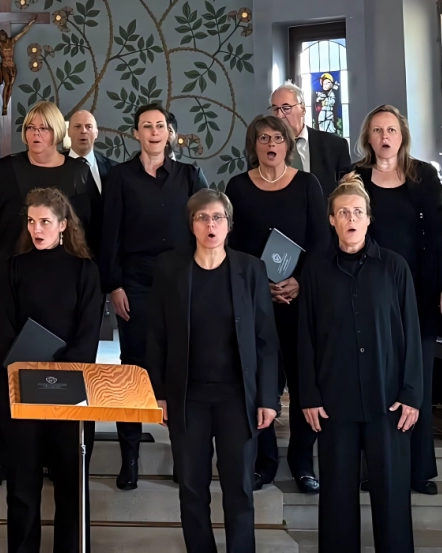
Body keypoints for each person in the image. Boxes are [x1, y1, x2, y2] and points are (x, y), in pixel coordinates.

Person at [0, 100, 102, 488]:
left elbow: (95, 228)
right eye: (30, 128)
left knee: (62, 371)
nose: (35, 135)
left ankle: (53, 453)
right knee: (8, 370)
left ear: (58, 132)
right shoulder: (7, 169)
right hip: (14, 282)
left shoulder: (78, 172)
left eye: (43, 128)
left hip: (66, 289)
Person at [146, 189, 279, 553]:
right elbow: (155, 336)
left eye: (218, 217)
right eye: (202, 217)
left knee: (239, 488)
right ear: (191, 224)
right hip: (188, 396)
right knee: (191, 488)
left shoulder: (251, 269)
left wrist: (268, 397)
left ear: (229, 225)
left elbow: (266, 339)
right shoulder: (170, 268)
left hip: (238, 396)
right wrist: (158, 394)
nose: (210, 224)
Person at [298, 175, 422, 553]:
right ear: (331, 220)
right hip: (335, 402)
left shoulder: (395, 268)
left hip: (389, 403)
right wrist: (308, 394)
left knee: (392, 500)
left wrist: (412, 393)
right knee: (335, 499)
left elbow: (412, 336)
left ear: (368, 219)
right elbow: (305, 337)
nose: (350, 218)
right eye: (342, 213)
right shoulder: (316, 270)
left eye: (357, 212)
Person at [352, 104, 442, 495]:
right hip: (369, 293)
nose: (385, 137)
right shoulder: (354, 176)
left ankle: (419, 471)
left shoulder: (423, 175)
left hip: (421, 290)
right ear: (368, 137)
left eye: (392, 130)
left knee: (418, 383)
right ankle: (374, 468)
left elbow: (440, 232)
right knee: (375, 381)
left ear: (402, 136)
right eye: (378, 130)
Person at [100, 103, 208, 490]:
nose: (154, 132)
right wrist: (113, 285)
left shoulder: (190, 175)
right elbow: (108, 234)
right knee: (134, 369)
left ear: (170, 132)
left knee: (183, 368)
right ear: (136, 134)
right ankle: (130, 457)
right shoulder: (119, 177)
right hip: (136, 283)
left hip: (183, 282)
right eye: (146, 126)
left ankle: (184, 456)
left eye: (160, 125)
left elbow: (207, 225)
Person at [225, 115, 330, 494]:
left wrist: (299, 282)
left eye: (278, 138)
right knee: (259, 382)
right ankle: (263, 462)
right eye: (263, 138)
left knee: (305, 383)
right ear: (253, 145)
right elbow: (230, 247)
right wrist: (258, 287)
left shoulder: (307, 184)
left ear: (289, 143)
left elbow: (322, 244)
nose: (271, 144)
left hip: (300, 301)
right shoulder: (237, 187)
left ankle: (303, 461)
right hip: (254, 302)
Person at [1, 187, 102, 553]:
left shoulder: (85, 270)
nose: (37, 229)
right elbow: (6, 327)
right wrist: (28, 370)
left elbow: (88, 334)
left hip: (71, 390)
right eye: (31, 221)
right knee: (22, 486)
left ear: (63, 225)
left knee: (71, 486)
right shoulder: (15, 267)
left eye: (45, 221)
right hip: (24, 388)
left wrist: (57, 373)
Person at [269, 81, 353, 194]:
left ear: (303, 109)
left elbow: (347, 194)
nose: (279, 115)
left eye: (286, 108)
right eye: (275, 109)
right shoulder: (262, 149)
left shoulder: (336, 146)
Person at [66, 110, 113, 192]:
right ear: (68, 132)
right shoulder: (55, 165)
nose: (83, 131)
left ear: (96, 133)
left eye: (89, 126)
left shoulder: (113, 169)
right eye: (77, 126)